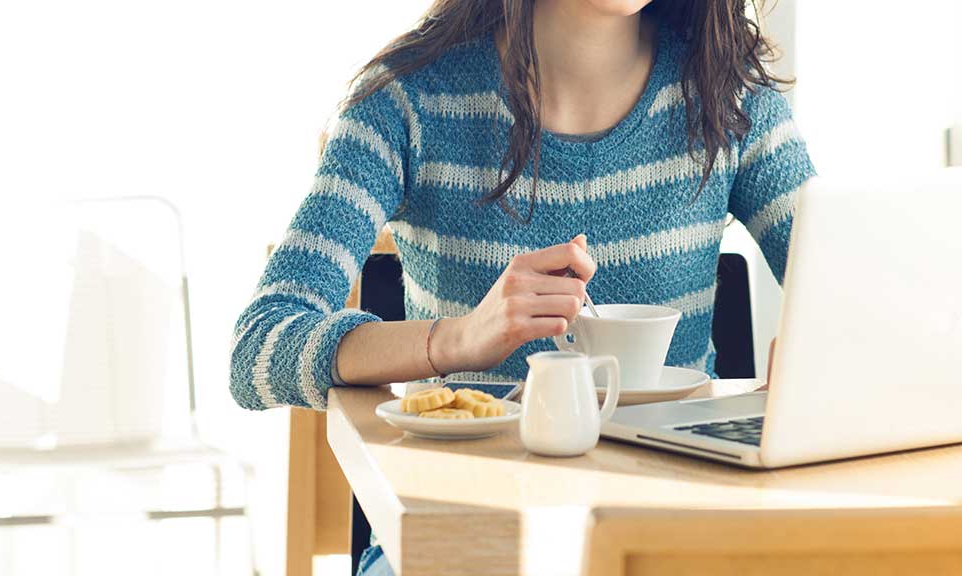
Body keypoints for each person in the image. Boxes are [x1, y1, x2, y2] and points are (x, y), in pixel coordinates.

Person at [231, 0, 813, 572]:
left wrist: (825, 364)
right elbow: (258, 347)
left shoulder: (732, 98)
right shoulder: (406, 102)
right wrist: (457, 339)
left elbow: (856, 302)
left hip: (677, 536)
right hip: (462, 540)